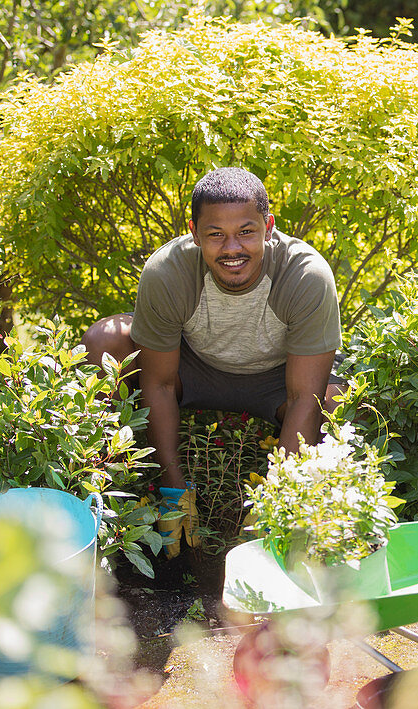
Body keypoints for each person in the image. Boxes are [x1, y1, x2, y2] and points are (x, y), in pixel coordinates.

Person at [83, 167, 343, 557]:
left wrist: (271, 503)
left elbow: (305, 396)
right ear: (194, 232)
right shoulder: (168, 271)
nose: (232, 248)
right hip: (194, 371)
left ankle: (296, 521)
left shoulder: (305, 274)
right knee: (105, 341)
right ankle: (114, 487)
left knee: (335, 400)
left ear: (268, 227)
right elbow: (160, 383)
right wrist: (175, 493)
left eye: (246, 231)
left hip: (275, 381)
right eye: (215, 234)